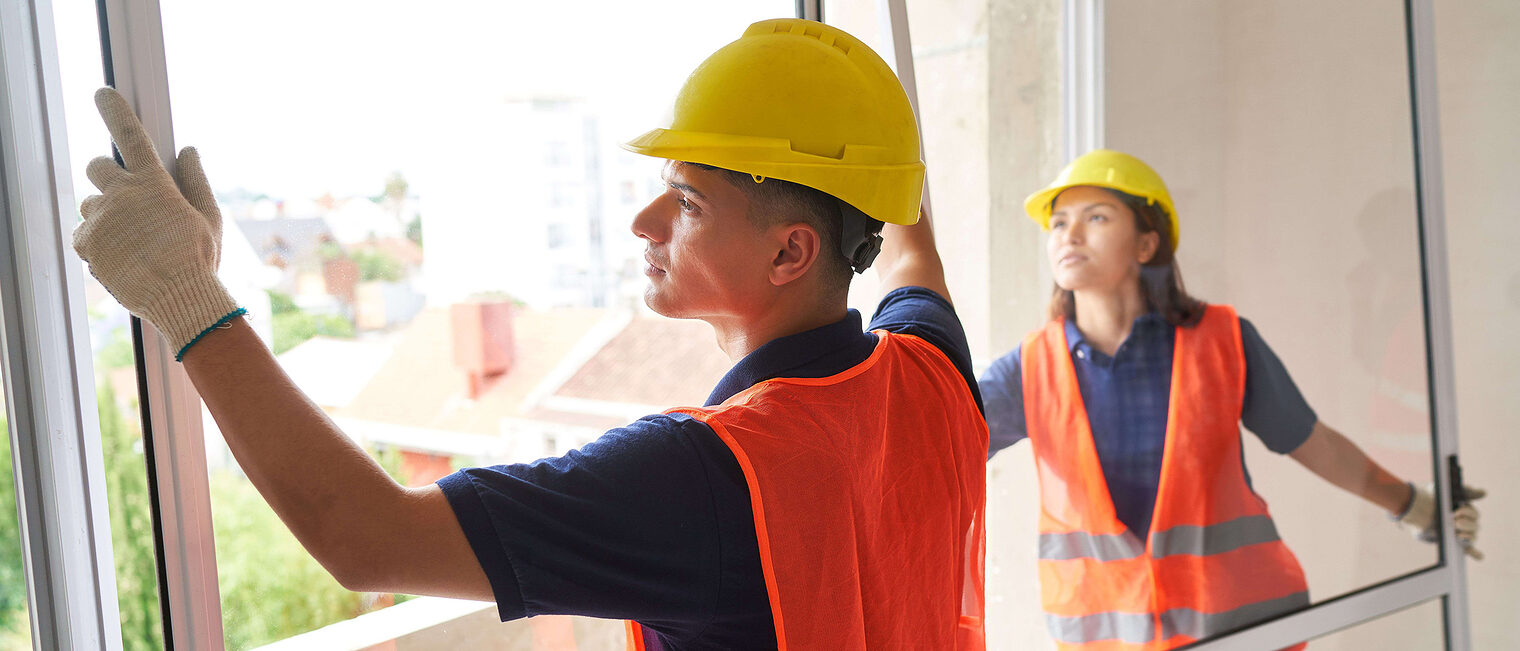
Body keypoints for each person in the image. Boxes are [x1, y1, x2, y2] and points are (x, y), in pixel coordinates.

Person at [72, 18, 988, 650]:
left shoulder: (706, 479)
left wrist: (187, 293)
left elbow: (366, 535)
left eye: (688, 202)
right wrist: (862, 142)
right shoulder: (930, 369)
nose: (644, 222)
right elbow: (915, 260)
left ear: (791, 251)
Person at [977, 149, 1484, 650]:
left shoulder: (1222, 342)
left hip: (1243, 632)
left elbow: (1316, 445)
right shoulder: (1030, 369)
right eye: (1058, 222)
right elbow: (945, 448)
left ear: (1147, 244)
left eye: (1096, 217)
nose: (1069, 234)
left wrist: (1416, 506)